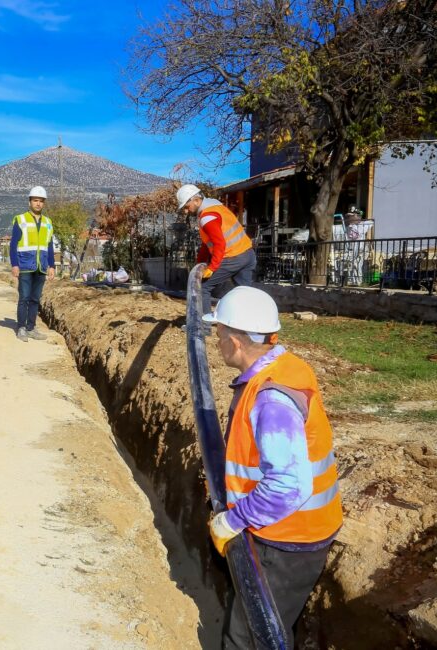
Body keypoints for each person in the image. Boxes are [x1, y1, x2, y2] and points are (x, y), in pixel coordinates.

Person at [202, 286, 342, 649]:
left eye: (218, 335)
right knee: (275, 628)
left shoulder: (272, 399)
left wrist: (232, 521)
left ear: (234, 342)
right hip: (288, 531)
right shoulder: (282, 367)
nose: (216, 342)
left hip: (287, 539)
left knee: (247, 637)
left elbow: (288, 486)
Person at [177, 184, 256, 305]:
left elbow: (219, 243)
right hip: (248, 254)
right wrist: (199, 265)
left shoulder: (207, 217)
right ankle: (251, 322)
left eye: (187, 206)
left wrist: (212, 268)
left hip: (232, 257)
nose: (186, 211)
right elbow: (207, 244)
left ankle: (204, 324)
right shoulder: (215, 206)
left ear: (197, 200)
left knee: (203, 287)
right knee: (245, 293)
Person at [9, 186, 55, 342]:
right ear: (30, 202)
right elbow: (13, 244)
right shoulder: (20, 220)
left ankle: (31, 328)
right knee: (24, 297)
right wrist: (14, 264)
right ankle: (21, 328)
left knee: (35, 299)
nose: (38, 204)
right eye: (35, 200)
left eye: (41, 201)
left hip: (41, 266)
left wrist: (52, 266)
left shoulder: (48, 222)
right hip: (25, 265)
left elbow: (49, 246)